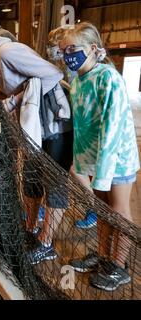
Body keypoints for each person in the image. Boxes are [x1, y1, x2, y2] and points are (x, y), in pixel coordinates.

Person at [0, 27, 73, 265]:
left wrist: (15, 100)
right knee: (32, 178)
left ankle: (46, 243)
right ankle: (30, 229)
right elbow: (24, 81)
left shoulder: (6, 52)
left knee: (54, 182)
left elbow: (52, 74)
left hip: (54, 123)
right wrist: (2, 92)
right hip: (36, 126)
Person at [60, 22, 140, 292]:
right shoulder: (77, 80)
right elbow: (82, 127)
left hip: (116, 158)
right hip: (94, 159)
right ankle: (105, 256)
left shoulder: (108, 77)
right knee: (103, 212)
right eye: (63, 50)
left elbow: (112, 128)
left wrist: (103, 175)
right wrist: (82, 164)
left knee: (119, 211)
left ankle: (119, 266)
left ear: (93, 49)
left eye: (73, 48)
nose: (67, 54)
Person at [48, 26, 98, 230]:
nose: (52, 49)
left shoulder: (74, 68)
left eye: (55, 45)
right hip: (74, 123)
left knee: (77, 170)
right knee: (75, 169)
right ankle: (93, 207)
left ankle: (94, 208)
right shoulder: (62, 64)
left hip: (80, 126)